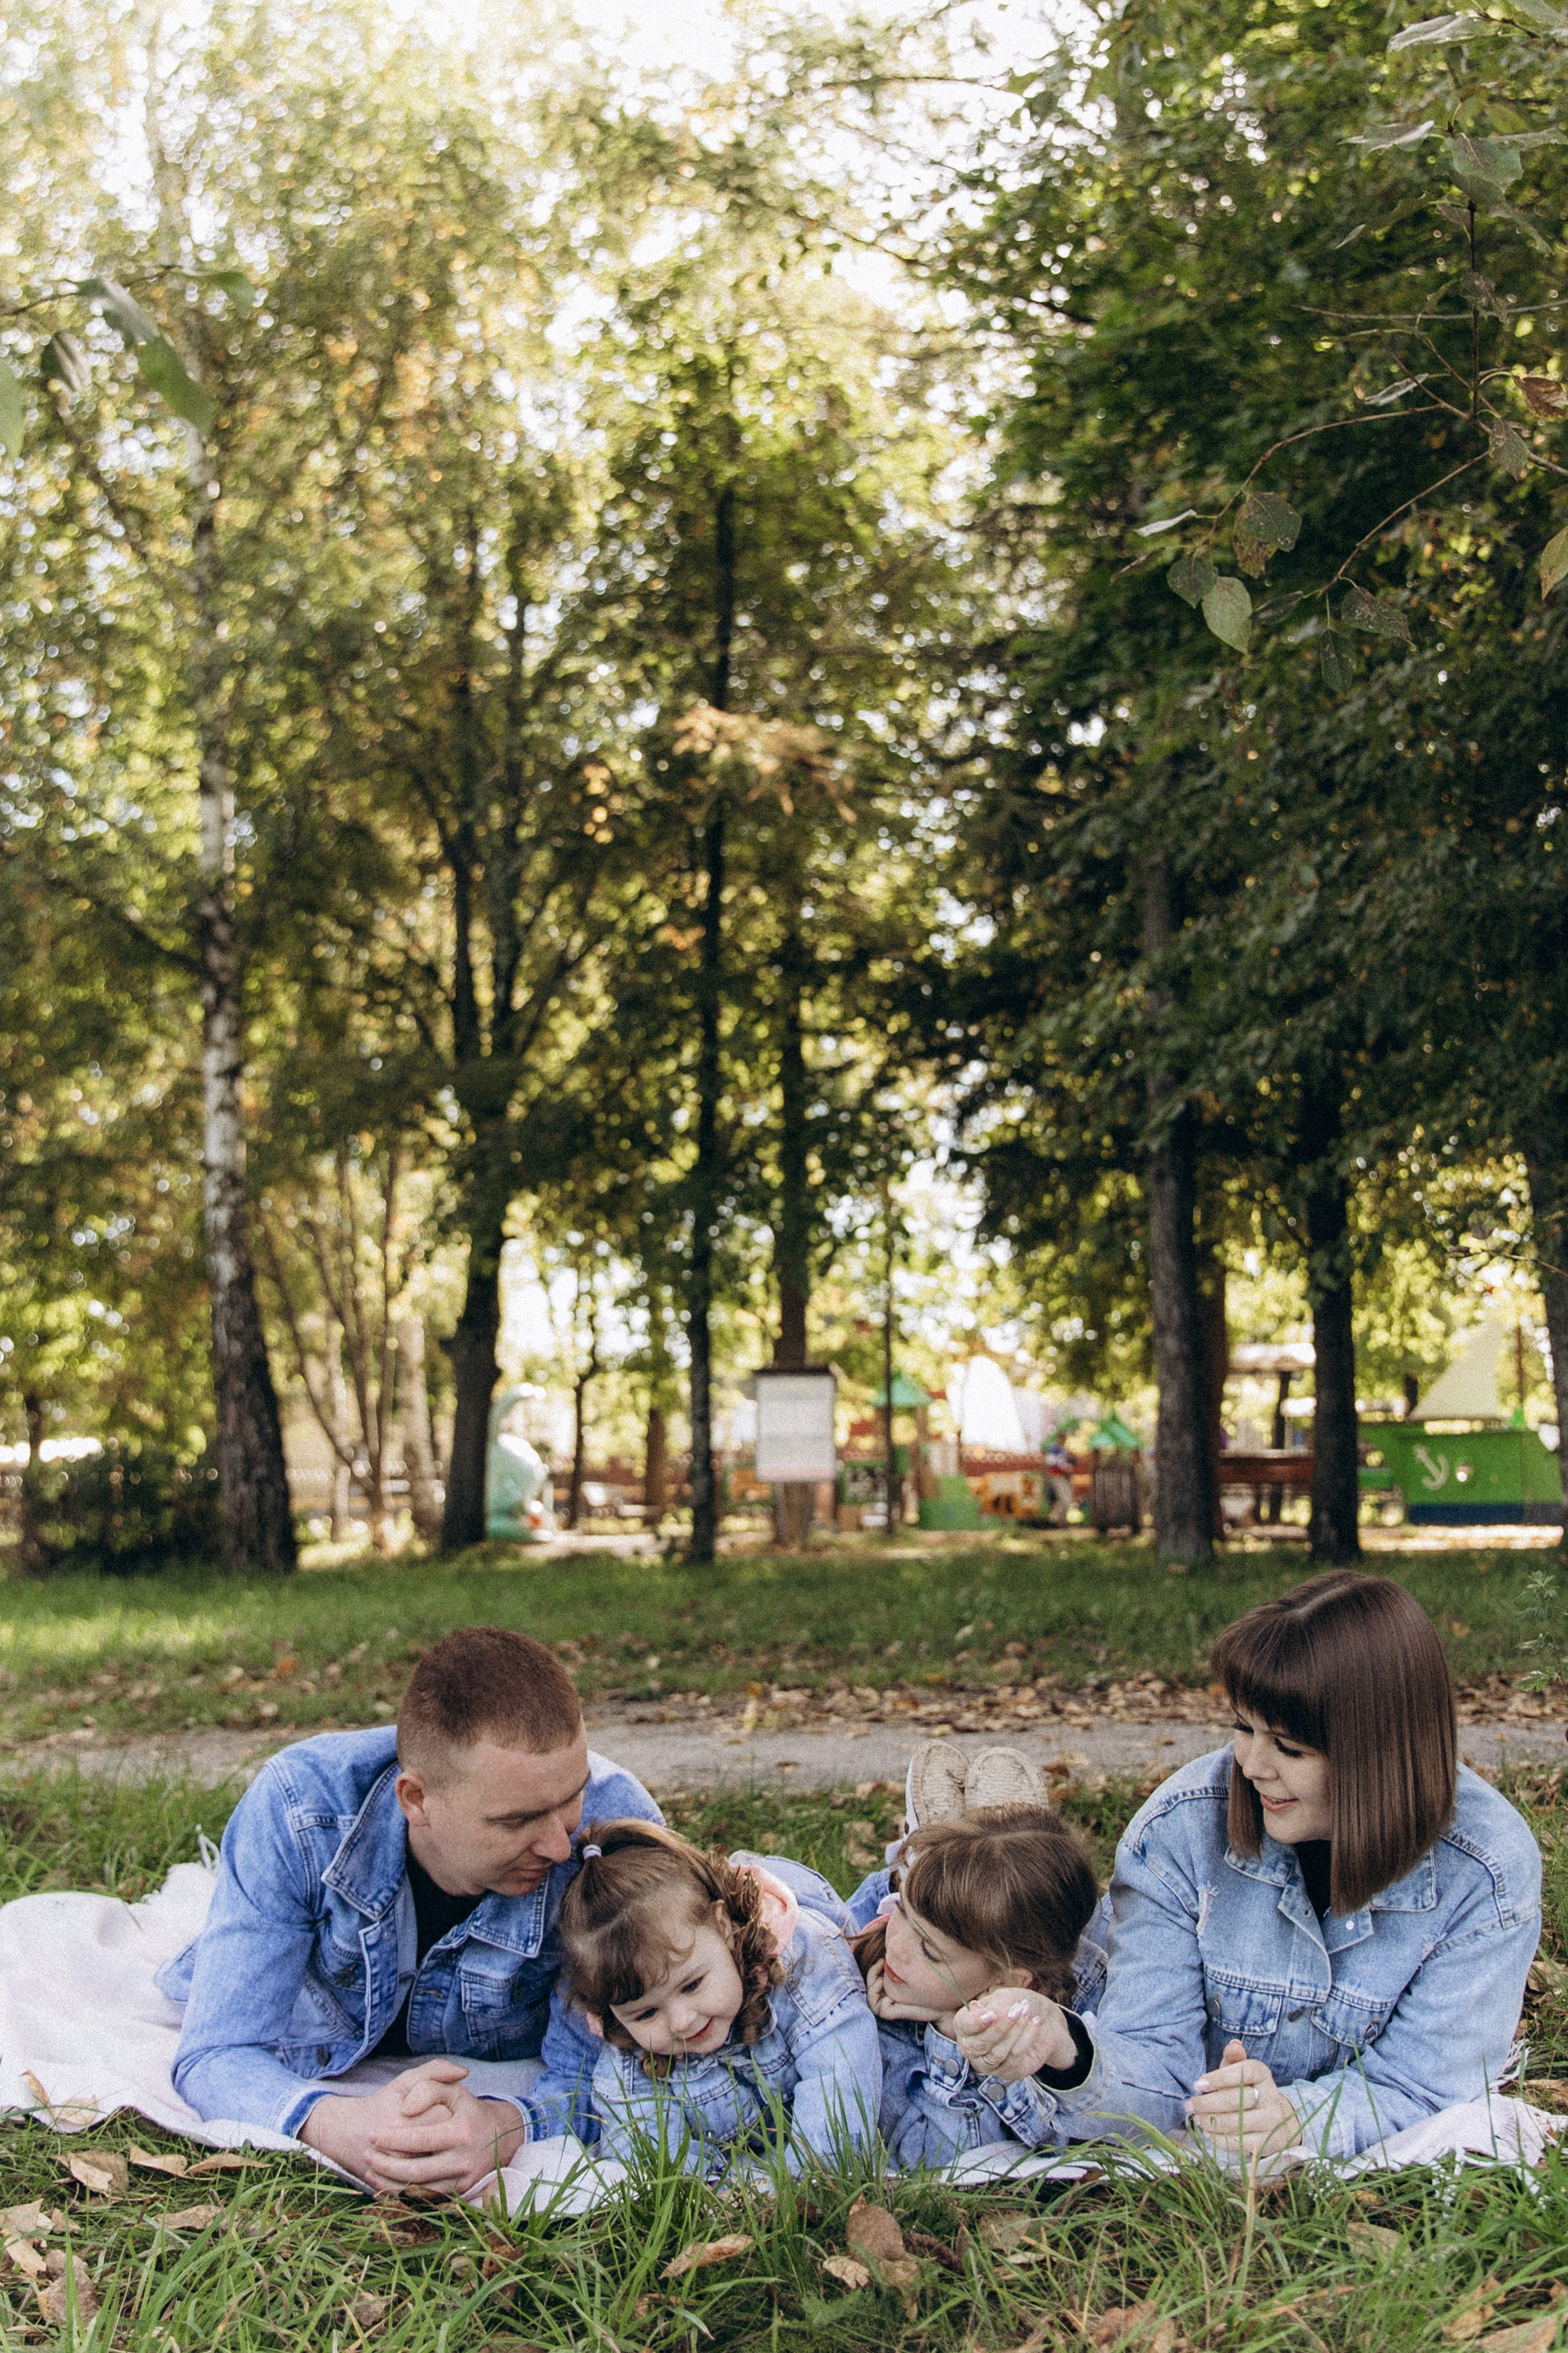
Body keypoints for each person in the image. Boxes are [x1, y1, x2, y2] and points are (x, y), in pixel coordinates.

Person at [158, 1625, 662, 2193]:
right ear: (416, 1799)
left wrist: (505, 2127)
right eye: (516, 1821)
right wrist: (337, 2126)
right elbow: (218, 2052)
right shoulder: (299, 1808)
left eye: (570, 1797)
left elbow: (635, 2063)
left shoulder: (615, 1829)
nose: (558, 1845)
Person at [1081, 1571, 1543, 2162]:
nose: (1250, 1765)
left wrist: (1296, 2120)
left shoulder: (1487, 1868)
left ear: (1376, 1754)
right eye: (1241, 1729)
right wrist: (1071, 2058)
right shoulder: (1179, 1828)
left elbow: (1425, 2082)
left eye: (1289, 1749)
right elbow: (1145, 2059)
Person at [556, 1820, 881, 2178]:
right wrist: (733, 2195)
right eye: (646, 2013)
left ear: (723, 1927)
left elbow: (841, 2089)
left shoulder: (801, 1966)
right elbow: (658, 2166)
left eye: (692, 1986)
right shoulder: (628, 2061)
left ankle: (889, 1884)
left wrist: (797, 2183)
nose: (681, 2021)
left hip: (824, 1928)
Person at [847, 1805, 1104, 2168]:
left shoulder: (1071, 2023)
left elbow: (934, 2159)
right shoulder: (871, 1979)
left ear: (1009, 1981)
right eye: (901, 1912)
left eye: (929, 1951)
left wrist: (951, 2036)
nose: (898, 1947)